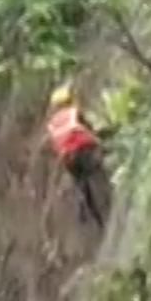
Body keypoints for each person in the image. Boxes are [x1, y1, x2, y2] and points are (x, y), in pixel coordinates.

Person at [45, 85, 108, 228]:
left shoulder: (52, 124)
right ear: (69, 100)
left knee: (81, 181)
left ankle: (87, 209)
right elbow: (89, 127)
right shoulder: (73, 112)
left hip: (68, 158)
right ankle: (104, 191)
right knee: (99, 162)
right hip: (83, 149)